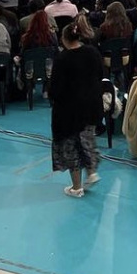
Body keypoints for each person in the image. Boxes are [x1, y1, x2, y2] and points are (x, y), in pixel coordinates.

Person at [47, 20, 105, 198]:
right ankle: (92, 171)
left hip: (69, 110)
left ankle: (76, 187)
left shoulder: (62, 59)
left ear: (64, 39)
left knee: (70, 145)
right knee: (87, 138)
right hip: (92, 104)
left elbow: (55, 89)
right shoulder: (92, 52)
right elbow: (101, 74)